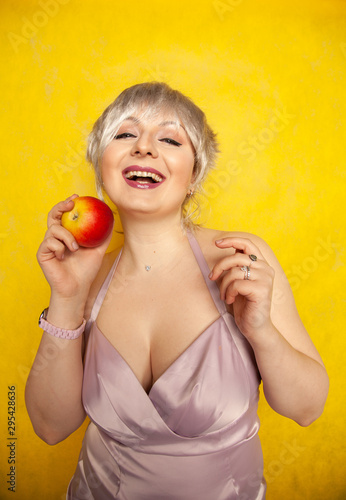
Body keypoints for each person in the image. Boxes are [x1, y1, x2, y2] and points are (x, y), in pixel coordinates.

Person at [25, 82, 329, 500]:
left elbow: (307, 409)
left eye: (169, 138)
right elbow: (50, 427)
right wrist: (66, 298)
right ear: (102, 165)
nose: (144, 149)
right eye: (125, 134)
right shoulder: (86, 276)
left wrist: (262, 332)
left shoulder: (241, 258)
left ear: (194, 175)